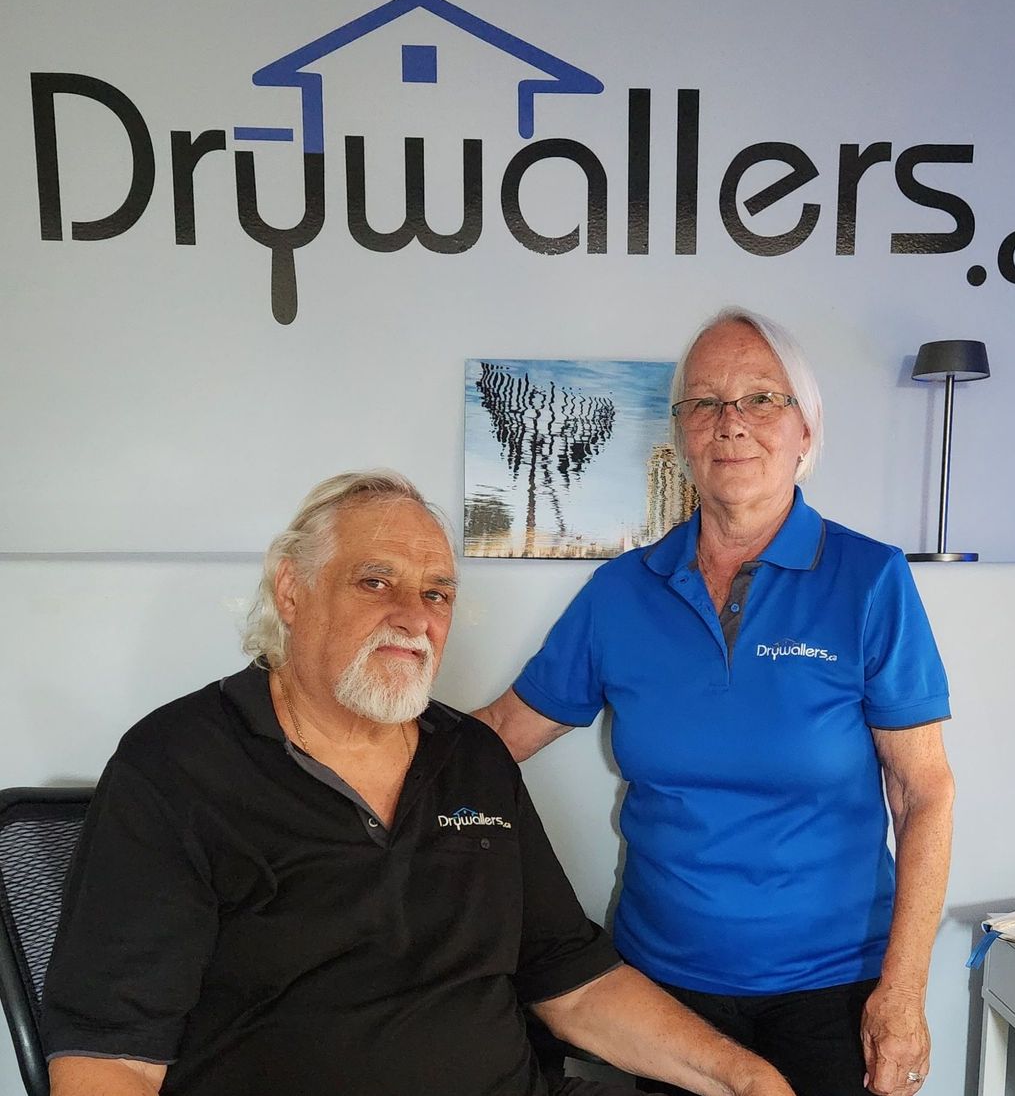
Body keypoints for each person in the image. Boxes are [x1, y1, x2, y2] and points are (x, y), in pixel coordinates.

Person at [41, 470, 797, 1096]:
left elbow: (576, 982)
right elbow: (109, 1060)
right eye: (376, 582)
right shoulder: (175, 767)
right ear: (292, 593)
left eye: (437, 593)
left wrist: (743, 1077)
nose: (414, 617)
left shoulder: (471, 756)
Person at [476, 309, 956, 1096]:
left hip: (836, 990)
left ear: (806, 430)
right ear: (681, 434)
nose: (730, 423)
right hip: (664, 992)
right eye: (703, 403)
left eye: (760, 399)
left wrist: (903, 992)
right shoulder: (621, 593)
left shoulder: (871, 581)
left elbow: (923, 790)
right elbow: (500, 735)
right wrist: (349, 755)